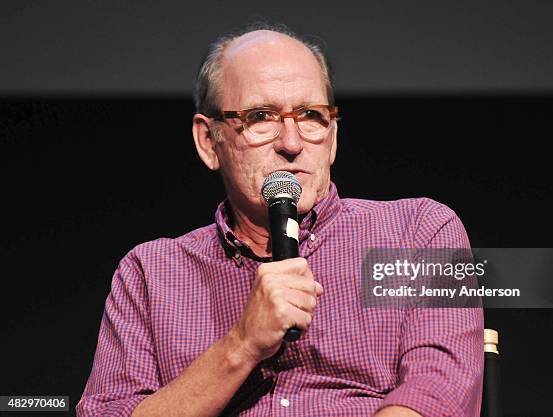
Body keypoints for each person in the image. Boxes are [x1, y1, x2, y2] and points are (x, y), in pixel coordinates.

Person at [77, 23, 483, 417]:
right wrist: (242, 344)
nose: (291, 143)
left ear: (334, 135)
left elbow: (437, 393)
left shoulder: (420, 231)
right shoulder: (150, 273)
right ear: (209, 141)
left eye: (310, 115)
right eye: (261, 117)